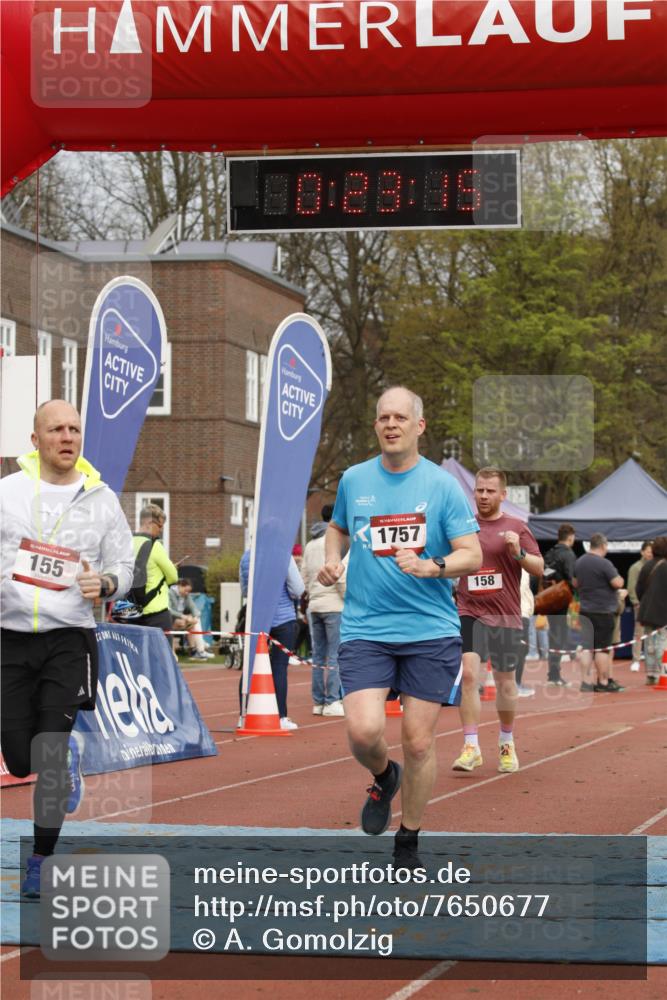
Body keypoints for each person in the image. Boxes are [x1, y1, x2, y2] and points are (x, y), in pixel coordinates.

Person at [318, 386, 482, 869]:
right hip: (366, 626)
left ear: (419, 426)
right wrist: (331, 561)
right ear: (376, 426)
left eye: (399, 418)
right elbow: (338, 527)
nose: (390, 425)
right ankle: (384, 774)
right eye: (382, 417)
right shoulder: (354, 479)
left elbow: (470, 553)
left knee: (418, 740)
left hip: (429, 629)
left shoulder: (442, 486)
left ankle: (408, 836)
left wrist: (433, 566)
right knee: (365, 730)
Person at [0, 400, 134, 897]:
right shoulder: (8, 494)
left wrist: (109, 582)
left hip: (68, 639)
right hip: (9, 637)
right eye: (56, 429)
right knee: (18, 759)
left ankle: (41, 857)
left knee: (49, 751)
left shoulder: (101, 499)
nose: (67, 437)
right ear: (35, 440)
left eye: (75, 429)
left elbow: (125, 563)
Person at [453, 468, 543, 775]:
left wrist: (518, 553)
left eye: (490, 491)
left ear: (502, 495)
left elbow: (539, 567)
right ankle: (470, 746)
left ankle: (506, 741)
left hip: (504, 615)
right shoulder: (463, 526)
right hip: (469, 611)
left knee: (505, 684)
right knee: (468, 675)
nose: (483, 496)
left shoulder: (516, 526)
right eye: (479, 490)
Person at [239, 549, 305, 730]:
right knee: (279, 667)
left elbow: (245, 590)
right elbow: (298, 589)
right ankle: (281, 716)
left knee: (250, 665)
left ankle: (244, 714)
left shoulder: (246, 556)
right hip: (282, 617)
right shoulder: (282, 553)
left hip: (257, 617)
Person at [302, 504, 346, 716]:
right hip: (334, 605)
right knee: (336, 654)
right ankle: (332, 700)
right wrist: (347, 598)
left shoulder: (310, 544)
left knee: (318, 655)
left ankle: (318, 701)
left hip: (315, 604)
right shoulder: (333, 542)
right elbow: (338, 574)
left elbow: (305, 576)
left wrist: (311, 595)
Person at [574, 533, 627, 692]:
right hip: (603, 611)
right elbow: (617, 583)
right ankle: (603, 682)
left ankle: (585, 682)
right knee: (602, 648)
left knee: (586, 647)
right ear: (603, 546)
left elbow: (575, 583)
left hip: (585, 609)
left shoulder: (579, 562)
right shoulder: (604, 563)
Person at [132, 503, 178, 631]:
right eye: (159, 526)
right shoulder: (155, 546)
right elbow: (173, 577)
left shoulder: (127, 542)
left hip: (131, 613)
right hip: (156, 614)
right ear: (148, 523)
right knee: (162, 651)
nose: (161, 530)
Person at [542, 523, 577, 686]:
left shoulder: (550, 553)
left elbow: (543, 573)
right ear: (570, 537)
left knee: (553, 636)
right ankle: (554, 675)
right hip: (562, 599)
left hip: (549, 598)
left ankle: (553, 674)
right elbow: (572, 578)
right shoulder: (568, 554)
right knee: (559, 637)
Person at [635, 535, 667, 686]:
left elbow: (639, 589)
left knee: (649, 643)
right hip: (663, 611)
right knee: (662, 642)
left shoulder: (646, 566)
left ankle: (651, 674)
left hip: (647, 611)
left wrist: (646, 602)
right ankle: (663, 672)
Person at [168, 577, 215, 661]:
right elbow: (169, 610)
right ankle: (201, 648)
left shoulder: (187, 595)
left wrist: (195, 617)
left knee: (195, 623)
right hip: (169, 620)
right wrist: (183, 616)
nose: (187, 593)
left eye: (188, 591)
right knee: (185, 622)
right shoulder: (169, 593)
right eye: (185, 590)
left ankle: (196, 651)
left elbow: (193, 607)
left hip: (181, 620)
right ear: (179, 586)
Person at [627, 540, 653, 672]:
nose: (650, 554)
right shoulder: (635, 567)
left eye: (651, 551)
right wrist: (636, 602)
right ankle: (636, 659)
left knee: (654, 633)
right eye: (648, 551)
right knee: (639, 633)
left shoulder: (657, 566)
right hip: (641, 605)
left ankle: (652, 660)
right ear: (642, 552)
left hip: (654, 606)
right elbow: (631, 587)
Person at [516, 570, 537, 697]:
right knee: (519, 649)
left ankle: (514, 683)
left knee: (520, 649)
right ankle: (515, 684)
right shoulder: (519, 566)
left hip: (520, 611)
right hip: (518, 612)